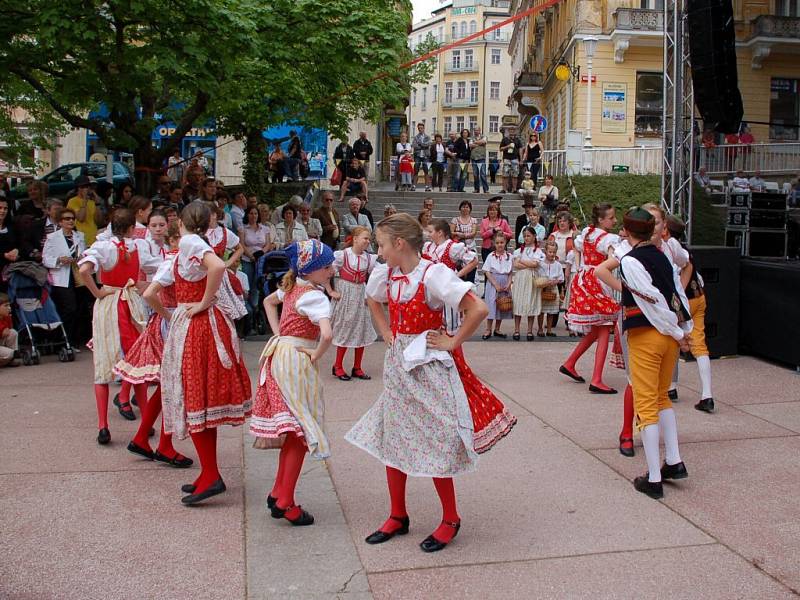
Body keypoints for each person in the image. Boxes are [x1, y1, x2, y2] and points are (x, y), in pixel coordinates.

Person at [345, 213, 514, 553]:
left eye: (381, 245)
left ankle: (450, 518)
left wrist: (453, 342)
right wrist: (386, 332)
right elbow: (371, 299)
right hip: (398, 365)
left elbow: (477, 308)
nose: (378, 252)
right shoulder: (388, 274)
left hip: (428, 366)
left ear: (399, 244)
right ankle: (397, 514)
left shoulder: (433, 273)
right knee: (394, 435)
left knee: (438, 438)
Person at [145, 201, 252, 504]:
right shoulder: (194, 243)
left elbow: (217, 267)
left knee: (196, 396)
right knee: (198, 399)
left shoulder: (190, 241)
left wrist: (202, 303)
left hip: (199, 325)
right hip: (198, 323)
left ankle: (211, 474)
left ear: (181, 221)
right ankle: (209, 472)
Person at [595, 208, 692, 499]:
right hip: (667, 337)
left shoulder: (630, 261)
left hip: (648, 335)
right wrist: (684, 327)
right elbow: (677, 294)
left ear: (626, 230)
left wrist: (677, 330)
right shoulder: (662, 256)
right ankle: (673, 461)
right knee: (662, 397)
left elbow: (655, 301)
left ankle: (653, 478)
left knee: (647, 403)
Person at [250, 239, 334, 525]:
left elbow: (266, 302)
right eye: (326, 266)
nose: (331, 270)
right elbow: (326, 335)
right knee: (300, 429)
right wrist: (316, 353)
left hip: (279, 356)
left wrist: (279, 334)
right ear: (311, 270)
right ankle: (286, 501)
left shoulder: (291, 287)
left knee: (293, 427)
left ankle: (279, 492)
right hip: (297, 359)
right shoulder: (314, 296)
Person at [114, 223, 194, 469]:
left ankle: (142, 437)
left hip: (169, 320)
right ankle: (164, 444)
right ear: (173, 241)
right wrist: (170, 317)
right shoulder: (174, 263)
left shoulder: (175, 261)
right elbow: (150, 293)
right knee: (173, 386)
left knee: (166, 386)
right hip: (172, 322)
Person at [78, 209, 150, 444]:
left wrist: (97, 291)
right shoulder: (139, 246)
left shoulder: (103, 247)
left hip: (108, 304)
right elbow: (150, 272)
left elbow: (83, 270)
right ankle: (146, 422)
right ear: (131, 228)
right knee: (136, 362)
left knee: (103, 364)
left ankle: (103, 425)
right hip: (131, 302)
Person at [560, 203, 620, 394]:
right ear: (601, 220)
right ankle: (596, 379)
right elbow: (612, 262)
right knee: (603, 328)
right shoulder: (610, 239)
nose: (615, 220)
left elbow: (576, 249)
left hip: (583, 279)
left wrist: (580, 266)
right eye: (611, 218)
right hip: (598, 281)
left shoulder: (587, 232)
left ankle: (570, 363)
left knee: (596, 329)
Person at [665, 215, 716, 413]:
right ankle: (707, 394)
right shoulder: (686, 250)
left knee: (672, 339)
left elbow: (673, 277)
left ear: (666, 231)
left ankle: (670, 387)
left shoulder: (670, 249)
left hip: (682, 302)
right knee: (699, 344)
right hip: (698, 297)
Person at [330, 226, 377, 381]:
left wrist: (371, 293)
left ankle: (357, 367)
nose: (367, 241)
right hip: (346, 293)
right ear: (355, 238)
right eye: (365, 238)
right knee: (345, 328)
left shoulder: (369, 258)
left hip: (360, 293)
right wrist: (330, 290)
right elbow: (327, 272)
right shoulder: (343, 255)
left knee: (361, 328)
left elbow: (379, 275)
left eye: (369, 239)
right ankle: (337, 366)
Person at [423, 220, 478, 331]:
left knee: (449, 323)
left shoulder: (452, 247)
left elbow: (474, 260)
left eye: (430, 231)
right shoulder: (429, 247)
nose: (428, 234)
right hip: (431, 289)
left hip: (447, 288)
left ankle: (451, 344)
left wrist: (457, 275)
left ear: (440, 233)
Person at [42, 207, 85, 345]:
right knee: (69, 308)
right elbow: (45, 259)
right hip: (61, 277)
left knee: (79, 308)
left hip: (77, 275)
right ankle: (63, 339)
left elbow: (84, 253)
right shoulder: (52, 237)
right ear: (60, 222)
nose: (71, 221)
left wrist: (81, 258)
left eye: (72, 218)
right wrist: (59, 260)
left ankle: (73, 340)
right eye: (67, 218)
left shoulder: (80, 236)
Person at [239, 205, 273, 317]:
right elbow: (242, 244)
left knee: (257, 284)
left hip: (261, 260)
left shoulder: (265, 229)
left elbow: (268, 244)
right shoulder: (243, 228)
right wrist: (251, 256)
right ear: (247, 215)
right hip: (247, 259)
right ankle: (248, 310)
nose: (254, 216)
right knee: (247, 283)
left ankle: (256, 308)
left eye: (255, 214)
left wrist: (261, 254)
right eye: (251, 213)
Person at [511, 227, 543, 341]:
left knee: (531, 302)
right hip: (520, 278)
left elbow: (535, 264)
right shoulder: (518, 251)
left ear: (534, 237)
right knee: (518, 301)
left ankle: (529, 330)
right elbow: (516, 265)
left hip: (531, 278)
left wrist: (522, 261)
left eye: (529, 235)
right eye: (524, 236)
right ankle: (516, 329)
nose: (526, 238)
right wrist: (528, 263)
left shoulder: (538, 251)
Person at [482, 231, 513, 339]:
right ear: (494, 244)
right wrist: (495, 284)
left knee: (502, 305)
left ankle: (497, 328)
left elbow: (510, 273)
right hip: (493, 281)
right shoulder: (491, 256)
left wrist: (509, 283)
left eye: (502, 242)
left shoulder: (509, 256)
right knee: (491, 305)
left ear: (505, 243)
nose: (500, 245)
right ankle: (488, 329)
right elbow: (486, 271)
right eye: (497, 243)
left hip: (504, 281)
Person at [536, 240, 564, 337]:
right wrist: (543, 282)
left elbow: (561, 278)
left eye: (554, 252)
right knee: (541, 310)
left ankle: (549, 329)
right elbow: (537, 275)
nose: (552, 254)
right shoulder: (541, 264)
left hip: (553, 288)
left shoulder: (558, 265)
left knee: (551, 311)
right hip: (543, 288)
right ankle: (540, 329)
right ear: (546, 252)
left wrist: (555, 281)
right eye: (550, 252)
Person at [66, 175, 101, 245]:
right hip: (81, 239)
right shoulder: (72, 201)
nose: (85, 189)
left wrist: (97, 204)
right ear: (77, 189)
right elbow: (81, 218)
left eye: (87, 186)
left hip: (93, 239)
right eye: (82, 187)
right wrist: (84, 199)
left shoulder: (91, 202)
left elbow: (99, 221)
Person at [450, 201, 479, 282]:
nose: (465, 208)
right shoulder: (455, 220)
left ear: (470, 209)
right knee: (459, 266)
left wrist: (463, 235)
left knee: (472, 265)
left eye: (467, 207)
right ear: (460, 208)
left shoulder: (473, 220)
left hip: (471, 246)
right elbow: (451, 233)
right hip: (458, 247)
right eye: (463, 206)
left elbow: (473, 233)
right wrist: (457, 233)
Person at [499, 126, 522, 193]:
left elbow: (520, 149)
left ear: (515, 132)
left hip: (515, 159)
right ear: (508, 131)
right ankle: (504, 189)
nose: (512, 131)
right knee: (505, 174)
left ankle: (514, 189)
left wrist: (521, 159)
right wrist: (507, 146)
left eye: (513, 130)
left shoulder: (517, 140)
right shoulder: (505, 139)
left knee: (515, 175)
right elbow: (500, 149)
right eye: (511, 130)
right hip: (506, 158)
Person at [412, 122, 432, 191]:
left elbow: (429, 144)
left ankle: (427, 186)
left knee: (426, 170)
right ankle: (414, 186)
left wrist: (421, 144)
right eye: (419, 128)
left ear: (424, 128)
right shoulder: (416, 137)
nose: (420, 129)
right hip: (417, 155)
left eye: (421, 128)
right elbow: (414, 145)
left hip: (425, 155)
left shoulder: (427, 137)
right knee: (416, 170)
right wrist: (423, 146)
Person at [0, 292, 18, 367]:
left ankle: (10, 360)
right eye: (6, 306)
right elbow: (4, 332)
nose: (9, 308)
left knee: (13, 332)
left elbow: (8, 331)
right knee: (10, 353)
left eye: (9, 305)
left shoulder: (6, 317)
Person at [470, 127, 489, 193]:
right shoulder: (471, 137)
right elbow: (470, 145)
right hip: (474, 158)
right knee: (475, 175)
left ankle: (486, 189)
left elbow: (484, 141)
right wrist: (479, 143)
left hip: (481, 158)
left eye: (477, 130)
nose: (476, 131)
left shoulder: (484, 136)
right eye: (475, 130)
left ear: (480, 130)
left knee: (483, 174)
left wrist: (475, 142)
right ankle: (476, 189)